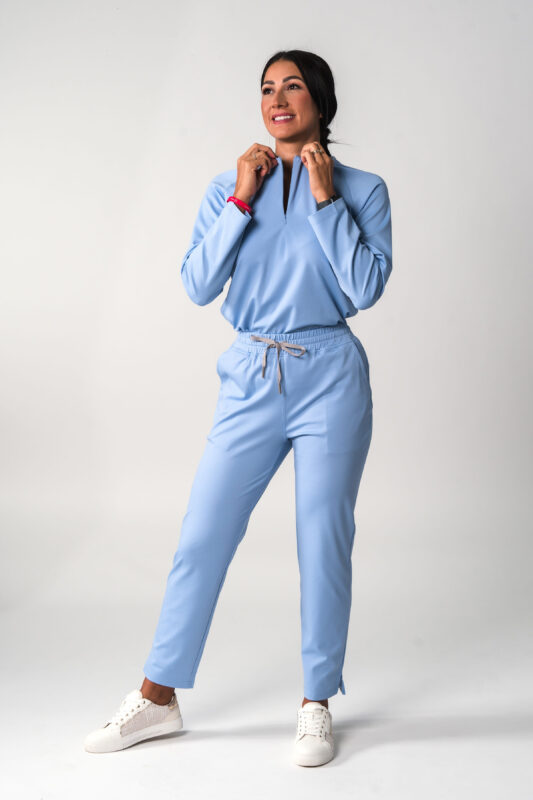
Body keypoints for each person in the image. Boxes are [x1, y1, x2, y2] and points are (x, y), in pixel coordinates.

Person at [84, 48, 393, 768]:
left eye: (292, 87)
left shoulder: (362, 189)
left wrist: (325, 200)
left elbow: (364, 287)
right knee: (203, 535)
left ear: (320, 101)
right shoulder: (229, 185)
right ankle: (157, 697)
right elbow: (197, 284)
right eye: (266, 89)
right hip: (251, 374)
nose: (277, 99)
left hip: (329, 375)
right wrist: (242, 200)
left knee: (322, 538)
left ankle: (316, 703)